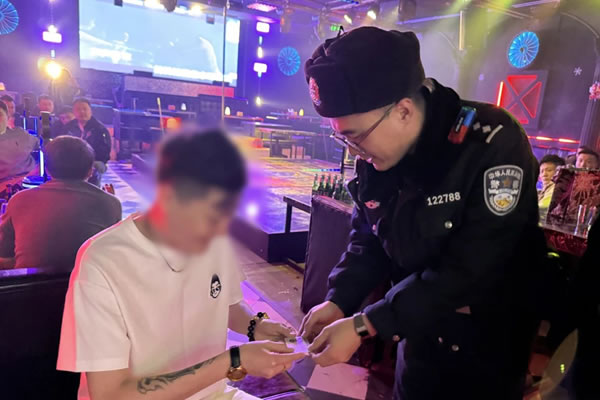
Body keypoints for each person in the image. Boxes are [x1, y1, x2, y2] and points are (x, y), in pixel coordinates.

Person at [300, 27, 548, 400]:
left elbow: (471, 267)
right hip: (417, 331)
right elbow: (369, 239)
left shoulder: (491, 141)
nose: (353, 151)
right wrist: (339, 300)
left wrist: (367, 324)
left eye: (356, 136)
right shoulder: (378, 155)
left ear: (403, 110)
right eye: (343, 138)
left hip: (485, 347)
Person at [57, 129, 305, 400]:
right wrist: (232, 361)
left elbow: (228, 304)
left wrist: (255, 326)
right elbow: (110, 394)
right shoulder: (102, 261)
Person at [0, 136, 121, 270]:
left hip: (31, 282)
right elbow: (113, 254)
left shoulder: (19, 200)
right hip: (87, 281)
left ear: (47, 169)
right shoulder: (111, 203)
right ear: (90, 171)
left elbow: (5, 255)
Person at [64, 98, 111, 186]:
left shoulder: (100, 129)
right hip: (73, 160)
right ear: (74, 112)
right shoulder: (68, 127)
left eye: (84, 109)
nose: (82, 112)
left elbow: (104, 154)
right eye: (78, 109)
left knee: (96, 167)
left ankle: (93, 191)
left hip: (94, 161)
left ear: (90, 111)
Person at [0, 102, 37, 182]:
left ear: (8, 117)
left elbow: (41, 145)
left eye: (0, 115)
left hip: (30, 180)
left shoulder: (20, 133)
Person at [538, 154, 565, 221]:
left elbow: (542, 210)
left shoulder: (555, 189)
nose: (544, 174)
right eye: (541, 171)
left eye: (549, 170)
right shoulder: (541, 191)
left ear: (559, 172)